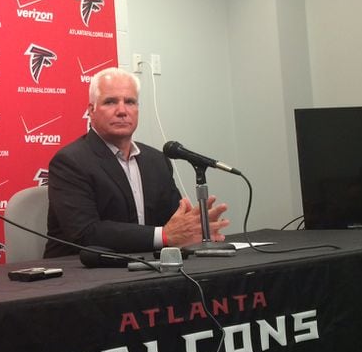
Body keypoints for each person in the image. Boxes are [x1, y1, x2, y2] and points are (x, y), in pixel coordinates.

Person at [44, 66, 229, 258]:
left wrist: (196, 230)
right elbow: (86, 233)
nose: (122, 111)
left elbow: (175, 221)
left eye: (130, 102)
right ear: (91, 110)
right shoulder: (70, 161)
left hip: (147, 267)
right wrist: (164, 236)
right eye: (110, 102)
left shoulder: (156, 160)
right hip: (81, 274)